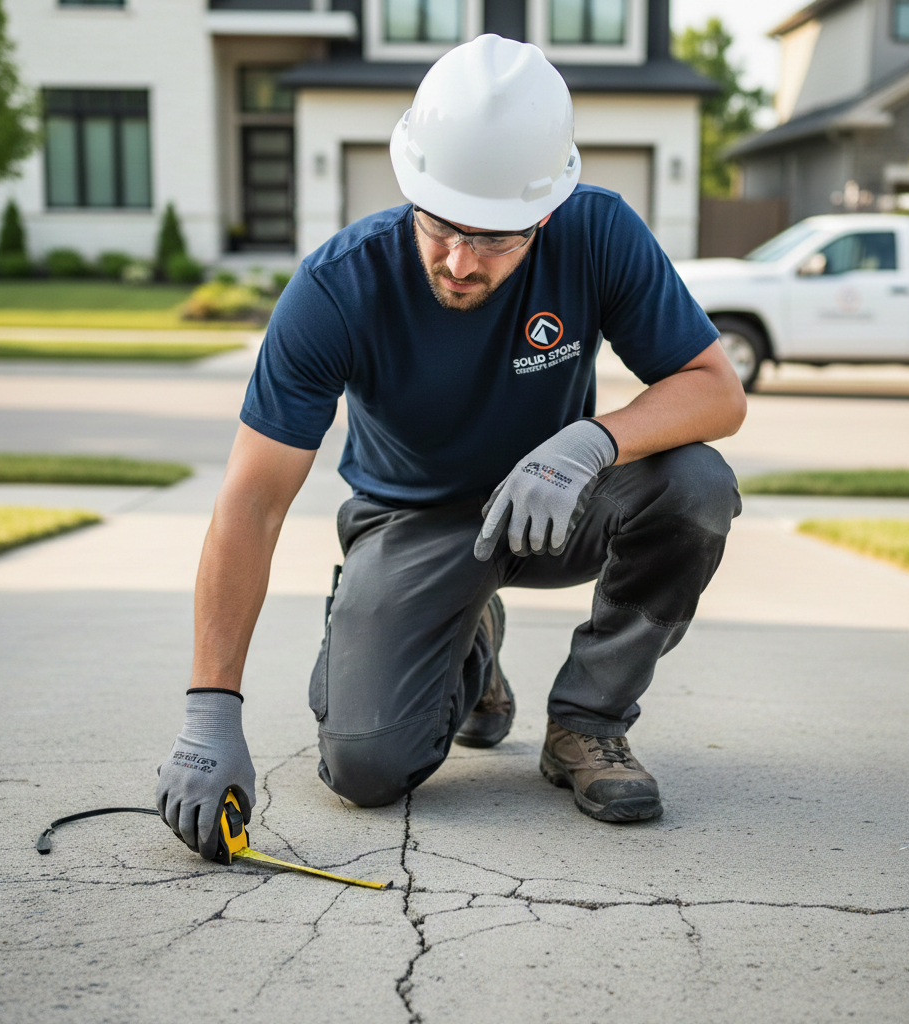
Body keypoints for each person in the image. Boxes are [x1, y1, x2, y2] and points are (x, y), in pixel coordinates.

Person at [156, 34, 746, 861]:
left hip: (555, 500)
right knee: (364, 768)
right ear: (412, 188)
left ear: (545, 213)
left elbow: (717, 391)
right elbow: (251, 503)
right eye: (442, 226)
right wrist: (208, 712)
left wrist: (588, 442)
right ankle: (469, 642)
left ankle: (589, 721)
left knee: (696, 485)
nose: (462, 261)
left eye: (498, 238)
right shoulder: (337, 290)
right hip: (411, 522)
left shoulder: (599, 232)